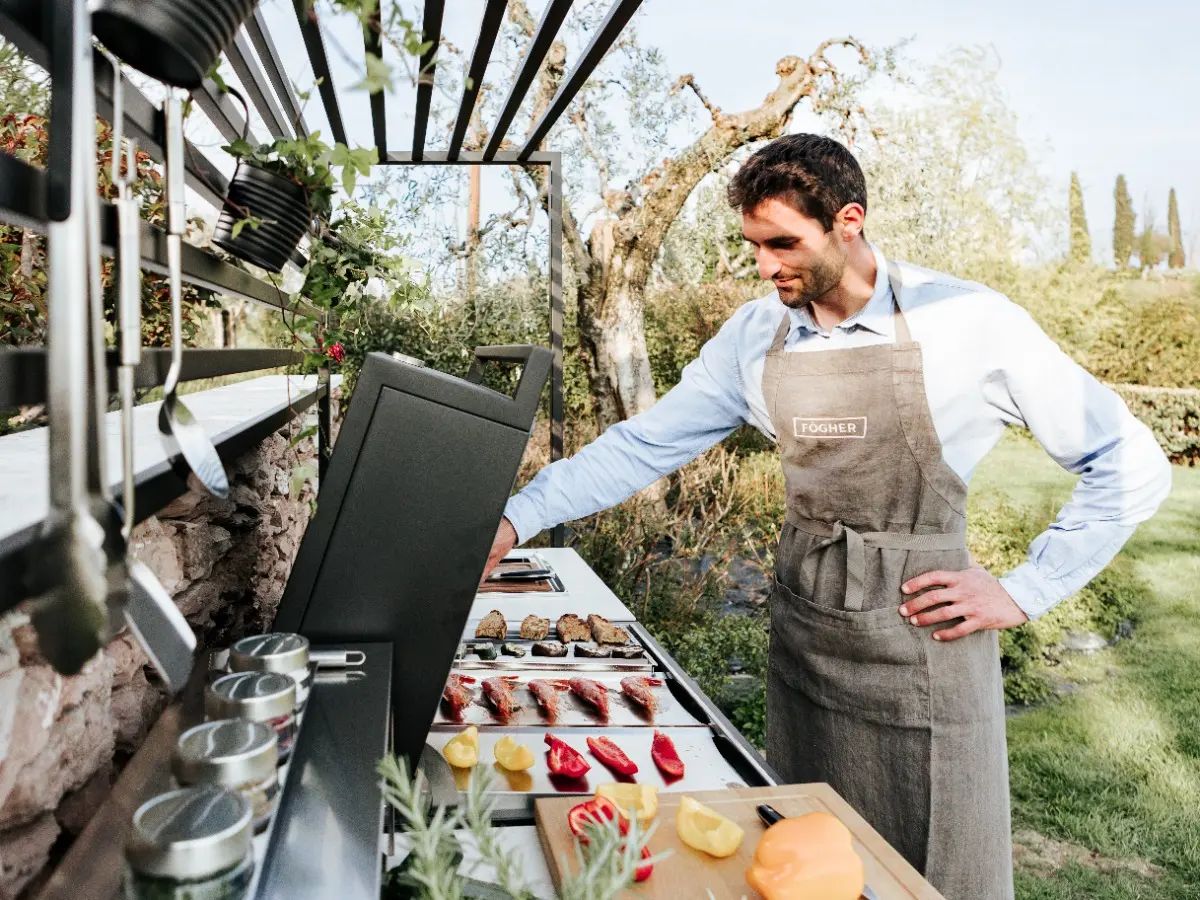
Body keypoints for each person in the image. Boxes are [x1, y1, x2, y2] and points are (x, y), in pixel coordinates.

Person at [480, 134, 1172, 898]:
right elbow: (644, 446)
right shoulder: (755, 337)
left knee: (935, 872)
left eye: (783, 243)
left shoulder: (970, 323)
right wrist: (517, 517)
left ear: (849, 220)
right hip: (807, 639)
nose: (766, 266)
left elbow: (1129, 464)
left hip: (923, 652)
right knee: (803, 863)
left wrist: (1025, 589)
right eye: (753, 245)